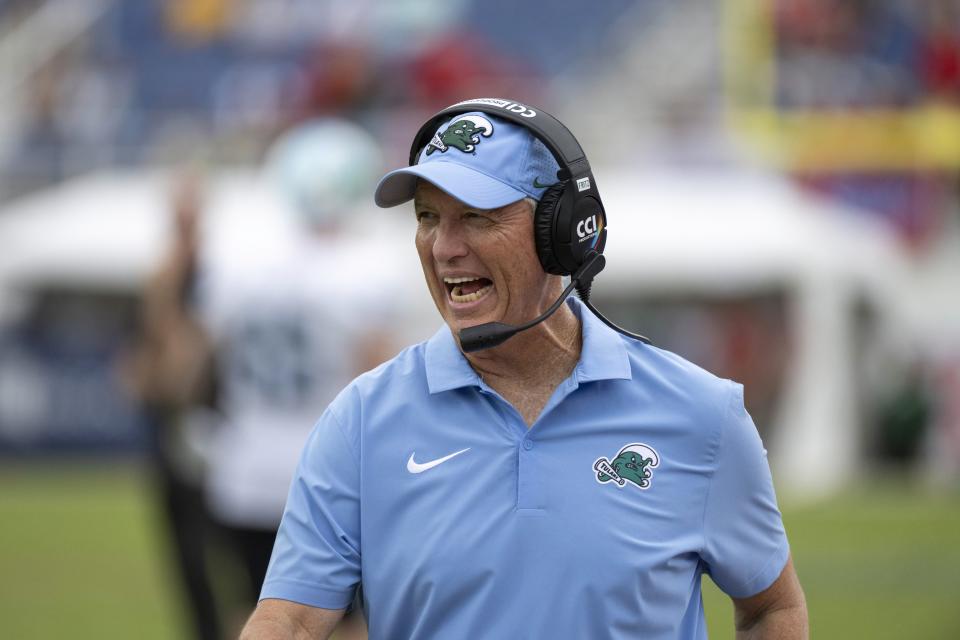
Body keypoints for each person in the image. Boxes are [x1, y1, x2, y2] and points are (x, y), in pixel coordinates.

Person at [241, 99, 808, 639]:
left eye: (477, 218)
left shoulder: (702, 415)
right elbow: (288, 622)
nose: (444, 247)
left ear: (562, 235)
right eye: (428, 217)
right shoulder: (361, 420)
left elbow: (770, 607)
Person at [196, 118, 395, 637]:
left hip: (241, 470)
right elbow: (377, 383)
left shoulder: (239, 262)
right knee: (346, 621)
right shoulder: (366, 268)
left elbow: (203, 359)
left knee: (257, 611)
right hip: (325, 474)